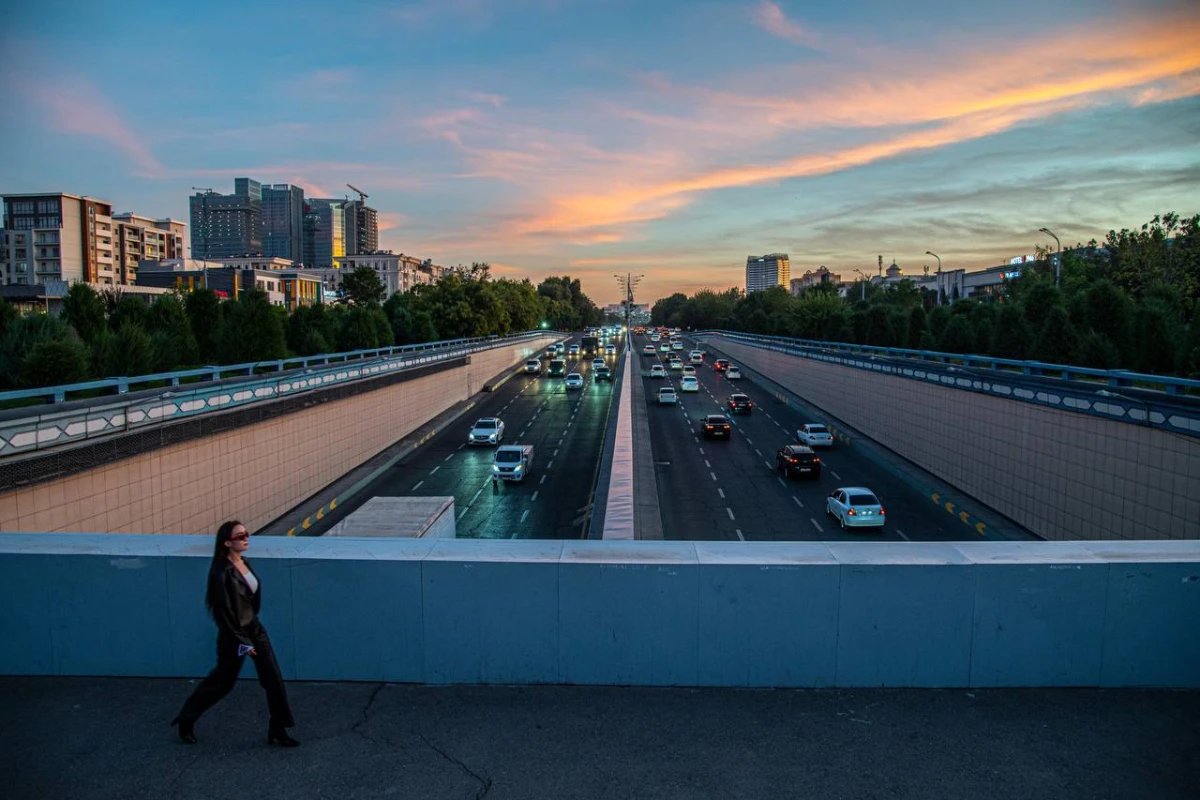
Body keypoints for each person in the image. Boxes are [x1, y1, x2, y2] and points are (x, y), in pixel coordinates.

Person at [171, 521, 298, 747]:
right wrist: (244, 644)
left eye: (246, 534)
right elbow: (224, 615)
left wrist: (252, 632)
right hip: (234, 637)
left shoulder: (243, 562)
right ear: (227, 542)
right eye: (240, 536)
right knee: (222, 682)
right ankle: (186, 718)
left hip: (255, 629)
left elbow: (251, 600)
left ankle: (278, 728)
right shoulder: (220, 574)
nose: (246, 538)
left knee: (274, 679)